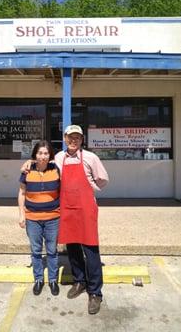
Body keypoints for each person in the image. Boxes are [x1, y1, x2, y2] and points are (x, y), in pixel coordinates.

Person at [55, 125, 109, 315]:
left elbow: (103, 179)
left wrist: (90, 189)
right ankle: (79, 281)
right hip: (68, 207)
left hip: (86, 208)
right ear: (64, 138)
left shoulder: (90, 158)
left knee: (91, 248)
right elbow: (54, 179)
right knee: (72, 246)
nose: (73, 140)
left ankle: (95, 292)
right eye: (70, 137)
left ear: (82, 139)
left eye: (77, 137)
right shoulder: (58, 158)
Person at [18, 140, 60, 296]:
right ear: (35, 154)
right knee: (36, 251)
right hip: (32, 219)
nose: (43, 156)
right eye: (40, 153)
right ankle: (38, 279)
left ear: (50, 155)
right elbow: (22, 193)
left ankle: (53, 280)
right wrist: (22, 215)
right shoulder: (27, 171)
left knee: (52, 251)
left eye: (46, 153)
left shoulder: (57, 169)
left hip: (53, 217)